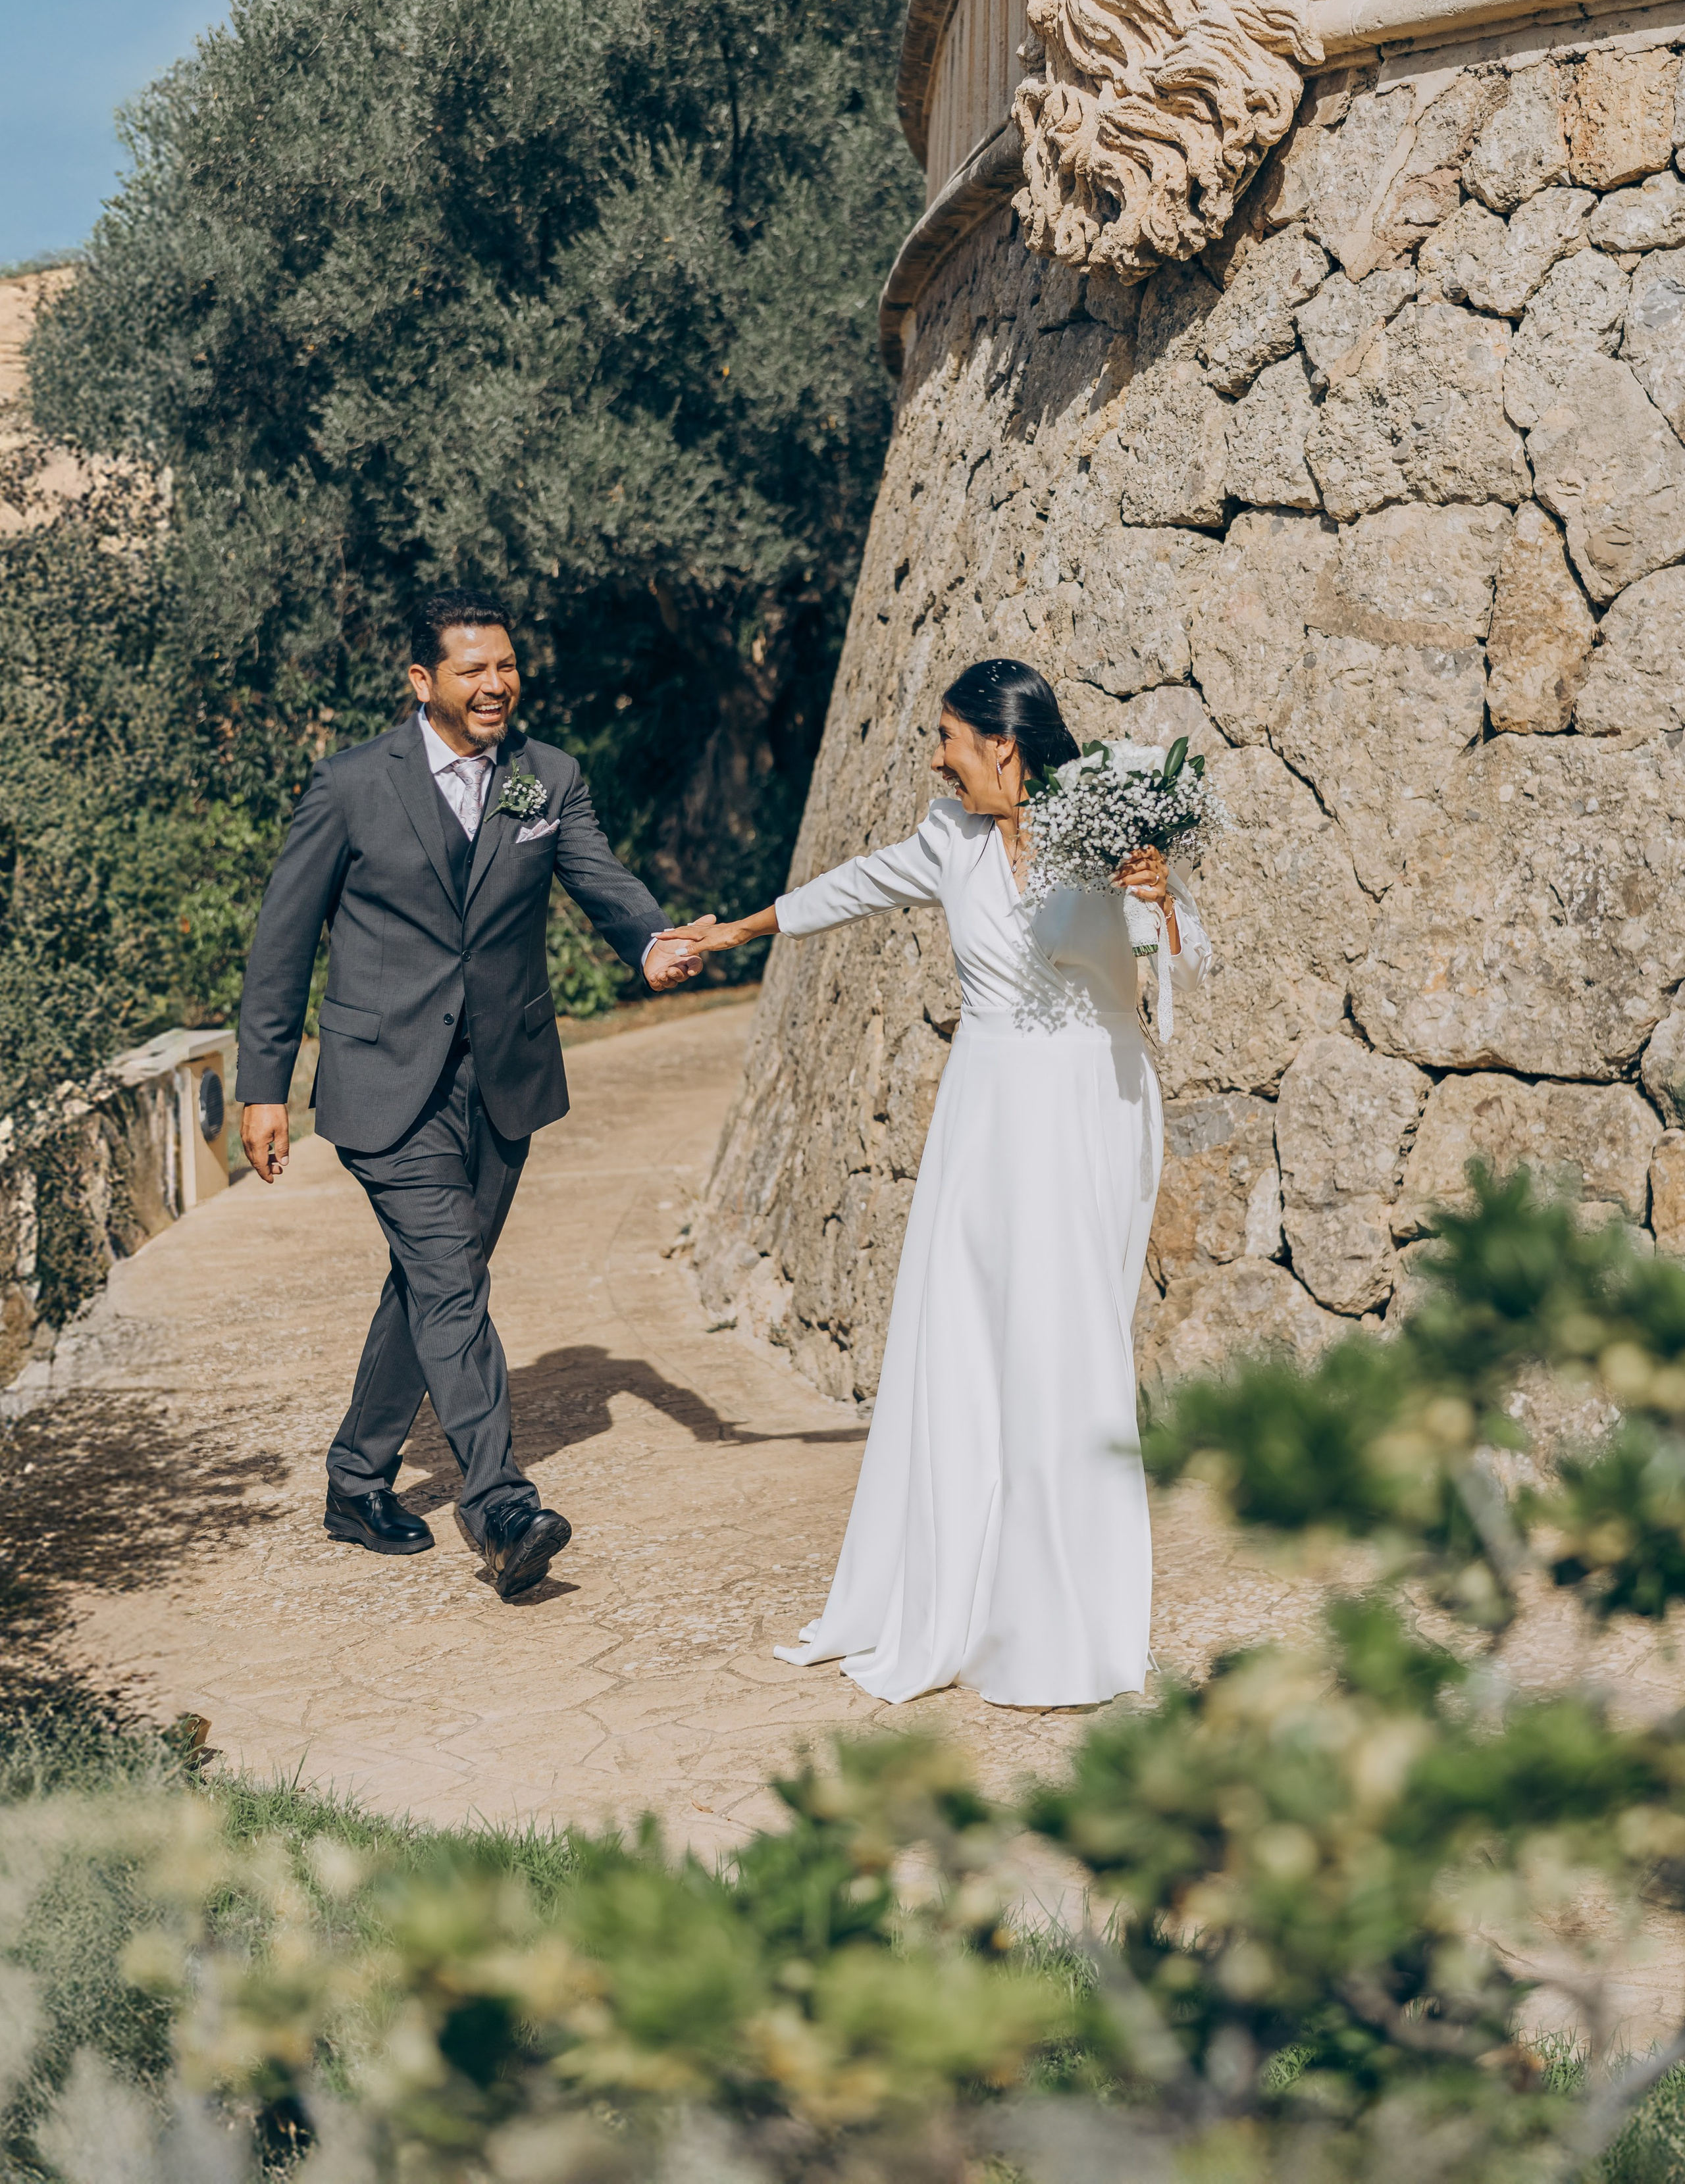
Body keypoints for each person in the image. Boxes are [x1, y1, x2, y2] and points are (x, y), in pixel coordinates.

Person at [679, 659, 1210, 1706]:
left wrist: (1160, 899)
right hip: (985, 1110)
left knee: (1068, 1344)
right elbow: (853, 885)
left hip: (1088, 1106)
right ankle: (960, 1591)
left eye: (948, 738)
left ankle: (1068, 1619)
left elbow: (1184, 957)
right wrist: (737, 930)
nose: (935, 758)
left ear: (1001, 745)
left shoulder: (1108, 824)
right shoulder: (949, 837)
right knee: (964, 1338)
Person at [235, 592, 709, 1602]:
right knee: (451, 1280)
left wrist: (650, 942)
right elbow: (282, 941)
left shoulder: (546, 777)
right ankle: (500, 1506)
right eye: (473, 670)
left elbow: (599, 877)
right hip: (383, 1080)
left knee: (430, 1283)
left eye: (507, 667)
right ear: (423, 682)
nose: (497, 685)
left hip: (503, 1079)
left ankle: (357, 1480)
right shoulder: (351, 785)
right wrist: (262, 1088)